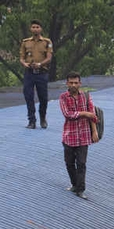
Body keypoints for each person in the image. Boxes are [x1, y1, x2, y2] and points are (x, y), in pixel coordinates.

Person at [59, 71, 98, 200]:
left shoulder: (86, 96)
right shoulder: (63, 97)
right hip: (69, 136)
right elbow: (68, 115)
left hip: (84, 136)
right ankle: (74, 184)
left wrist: (94, 131)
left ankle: (80, 189)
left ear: (80, 83)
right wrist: (84, 113)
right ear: (67, 83)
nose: (74, 85)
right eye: (71, 83)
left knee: (81, 164)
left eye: (76, 82)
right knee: (69, 163)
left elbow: (92, 115)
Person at [19, 19, 52, 129]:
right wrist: (24, 63)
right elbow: (21, 58)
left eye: (37, 27)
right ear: (30, 28)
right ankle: (31, 121)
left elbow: (49, 58)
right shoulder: (25, 42)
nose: (35, 29)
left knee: (43, 97)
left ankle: (43, 118)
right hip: (29, 73)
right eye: (33, 27)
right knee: (28, 96)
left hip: (41, 73)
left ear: (41, 29)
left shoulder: (47, 42)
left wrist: (40, 64)